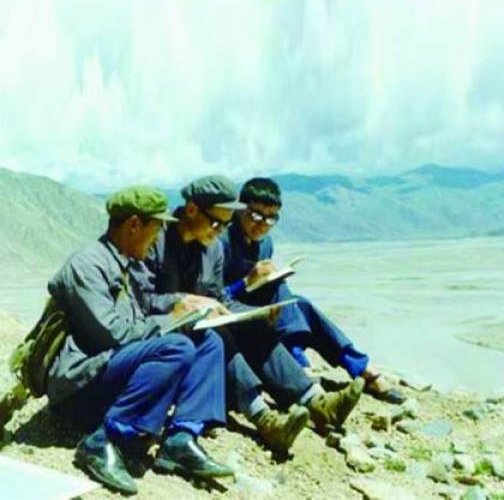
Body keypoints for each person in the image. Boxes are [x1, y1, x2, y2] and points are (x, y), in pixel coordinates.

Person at [133, 175, 364, 455]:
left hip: (200, 326)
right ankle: (263, 418)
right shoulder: (154, 241)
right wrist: (179, 302)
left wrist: (254, 314)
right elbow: (138, 301)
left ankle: (316, 402)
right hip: (166, 334)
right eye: (216, 223)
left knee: (253, 327)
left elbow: (220, 299)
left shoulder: (213, 248)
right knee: (216, 335)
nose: (220, 231)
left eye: (225, 224)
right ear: (191, 210)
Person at [46, 186, 233, 496]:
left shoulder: (127, 263)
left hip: (113, 373)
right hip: (80, 386)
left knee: (207, 341)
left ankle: (181, 439)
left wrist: (182, 305)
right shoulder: (88, 265)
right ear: (134, 225)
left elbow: (145, 307)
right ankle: (105, 440)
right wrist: (170, 323)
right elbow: (111, 335)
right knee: (177, 347)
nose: (158, 237)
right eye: (156, 228)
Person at [221, 177, 405, 404]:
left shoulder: (265, 243)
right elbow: (214, 296)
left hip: (261, 308)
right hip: (232, 315)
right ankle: (304, 361)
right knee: (289, 297)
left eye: (271, 218)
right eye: (256, 216)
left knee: (301, 304)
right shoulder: (222, 242)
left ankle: (360, 366)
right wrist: (245, 282)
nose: (262, 225)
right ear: (240, 210)